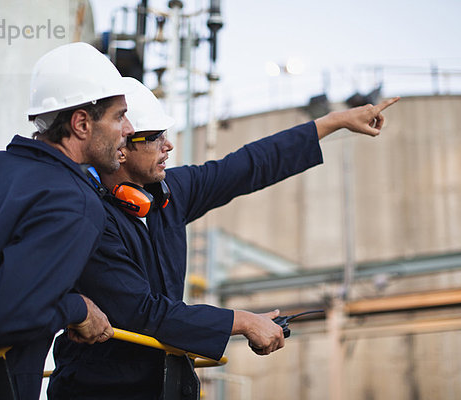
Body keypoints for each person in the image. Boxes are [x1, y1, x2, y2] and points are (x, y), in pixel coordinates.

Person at [48, 80, 399, 399]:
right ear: (120, 147)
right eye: (155, 137)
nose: (168, 145)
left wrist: (332, 122)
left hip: (162, 385)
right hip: (98, 391)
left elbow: (247, 166)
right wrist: (243, 321)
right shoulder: (91, 216)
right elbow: (145, 313)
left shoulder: (169, 194)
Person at [0, 42, 136, 399]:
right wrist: (77, 308)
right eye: (118, 116)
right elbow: (3, 319)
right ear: (81, 123)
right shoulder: (73, 202)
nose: (128, 128)